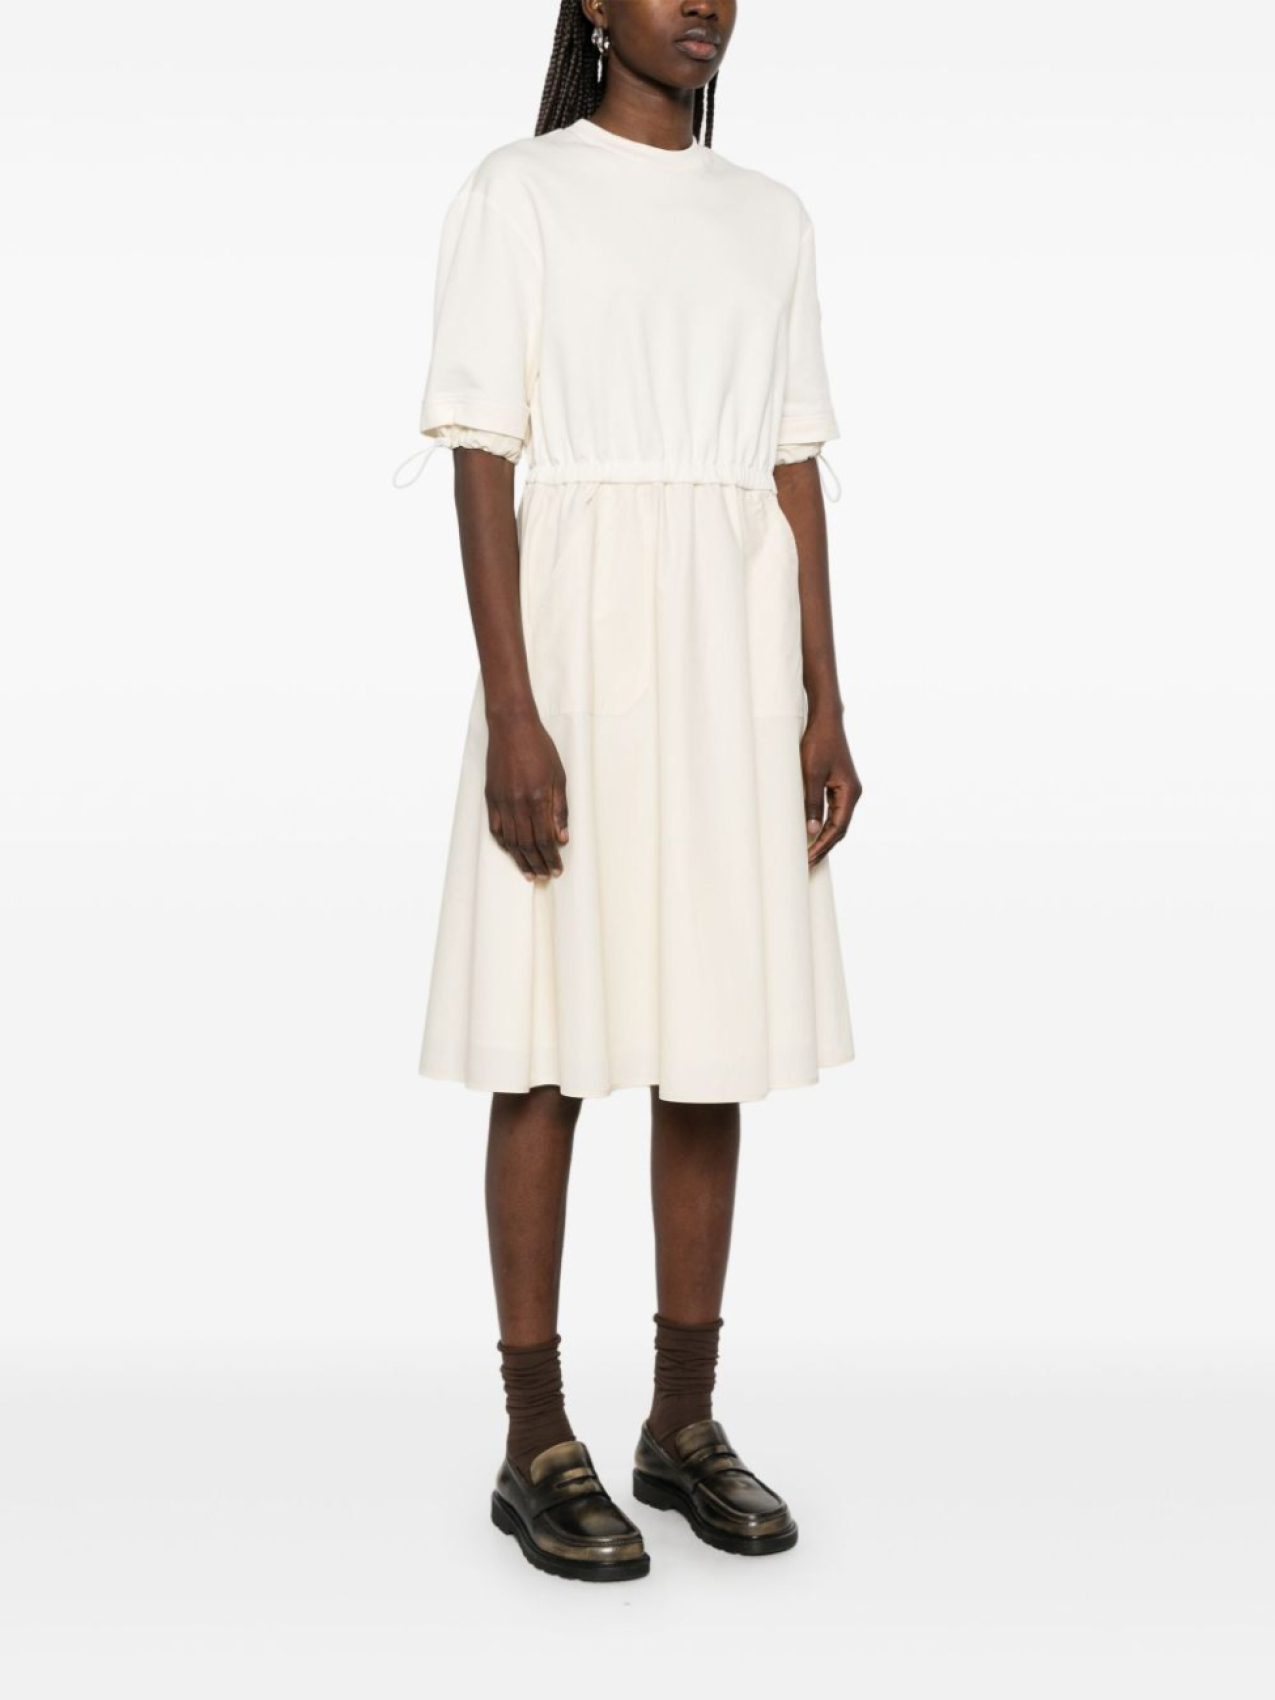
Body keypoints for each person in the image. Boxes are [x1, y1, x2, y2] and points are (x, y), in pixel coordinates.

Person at [408, 1, 861, 1582]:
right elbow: (481, 455)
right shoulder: (519, 192)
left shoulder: (771, 217)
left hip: (732, 660)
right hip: (580, 656)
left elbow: (793, 464)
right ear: (594, 3)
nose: (704, 4)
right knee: (545, 1044)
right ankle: (537, 1437)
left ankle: (682, 1419)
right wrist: (512, 712)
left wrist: (824, 697)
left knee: (707, 1039)